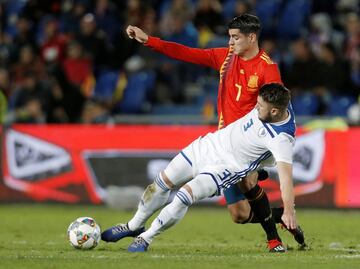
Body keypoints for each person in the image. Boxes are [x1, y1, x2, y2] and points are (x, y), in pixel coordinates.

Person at [124, 13, 304, 244]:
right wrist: (149, 40)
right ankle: (280, 216)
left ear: (251, 38)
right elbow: (187, 53)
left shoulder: (267, 70)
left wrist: (271, 146)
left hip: (247, 146)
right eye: (229, 37)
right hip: (221, 143)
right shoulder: (226, 58)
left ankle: (274, 239)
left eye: (235, 38)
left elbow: (277, 110)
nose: (230, 42)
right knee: (239, 214)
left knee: (247, 181)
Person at [102, 83, 297, 253]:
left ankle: (146, 237)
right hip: (207, 146)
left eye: (260, 106)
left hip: (225, 168)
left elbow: (286, 178)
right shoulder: (277, 104)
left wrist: (289, 210)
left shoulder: (281, 140)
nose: (256, 107)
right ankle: (134, 225)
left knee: (183, 196)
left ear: (274, 112)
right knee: (161, 183)